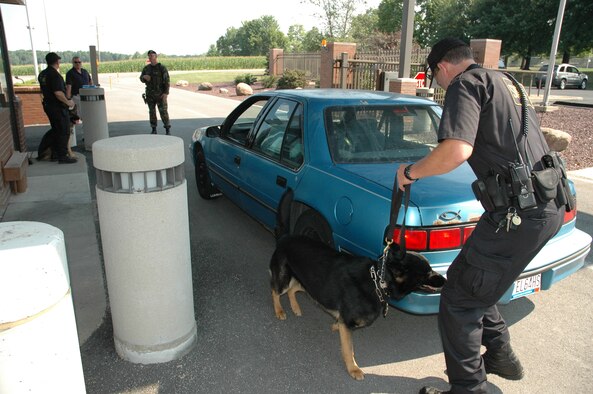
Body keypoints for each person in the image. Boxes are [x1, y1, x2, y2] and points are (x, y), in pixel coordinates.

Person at [396, 38, 564, 394]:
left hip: (518, 215)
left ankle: (469, 388)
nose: (437, 83)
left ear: (442, 66)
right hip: (545, 206)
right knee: (467, 279)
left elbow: (456, 150)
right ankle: (500, 355)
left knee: (459, 301)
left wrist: (411, 172)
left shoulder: (465, 84)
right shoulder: (506, 82)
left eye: (433, 75)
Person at [38, 52, 77, 164]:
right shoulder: (54, 75)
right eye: (59, 61)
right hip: (57, 107)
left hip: (48, 105)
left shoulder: (42, 74)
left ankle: (55, 154)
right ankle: (62, 156)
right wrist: (68, 102)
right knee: (63, 131)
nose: (59, 62)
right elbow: (58, 93)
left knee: (56, 130)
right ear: (56, 61)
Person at [140, 50, 171, 134]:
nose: (150, 57)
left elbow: (167, 81)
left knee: (163, 112)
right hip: (150, 95)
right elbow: (141, 78)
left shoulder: (161, 68)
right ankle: (154, 129)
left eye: (152, 56)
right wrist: (144, 77)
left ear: (156, 56)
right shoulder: (146, 68)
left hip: (160, 94)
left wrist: (166, 93)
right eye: (149, 56)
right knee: (152, 112)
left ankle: (167, 129)